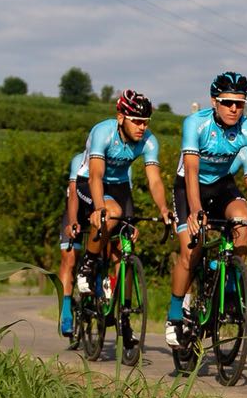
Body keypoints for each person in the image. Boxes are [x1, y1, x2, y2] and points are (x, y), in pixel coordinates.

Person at [169, 72, 247, 347]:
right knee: (190, 252)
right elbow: (191, 170)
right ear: (214, 101)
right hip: (189, 187)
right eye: (228, 102)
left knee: (243, 219)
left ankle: (227, 282)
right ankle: (174, 312)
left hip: (222, 185)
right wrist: (195, 210)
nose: (234, 109)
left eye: (240, 104)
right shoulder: (196, 123)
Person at [83, 88, 171, 237]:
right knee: (110, 214)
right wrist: (99, 208)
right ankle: (90, 259)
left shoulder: (149, 141)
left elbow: (155, 180)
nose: (142, 127)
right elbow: (95, 175)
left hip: (120, 184)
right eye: (136, 121)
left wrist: (163, 209)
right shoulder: (103, 133)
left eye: (145, 122)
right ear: (120, 118)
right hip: (89, 181)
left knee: (127, 238)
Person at [57, 149, 90, 337]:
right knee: (69, 260)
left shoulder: (121, 164)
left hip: (97, 211)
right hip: (75, 209)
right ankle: (66, 310)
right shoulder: (80, 160)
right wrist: (72, 221)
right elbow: (73, 195)